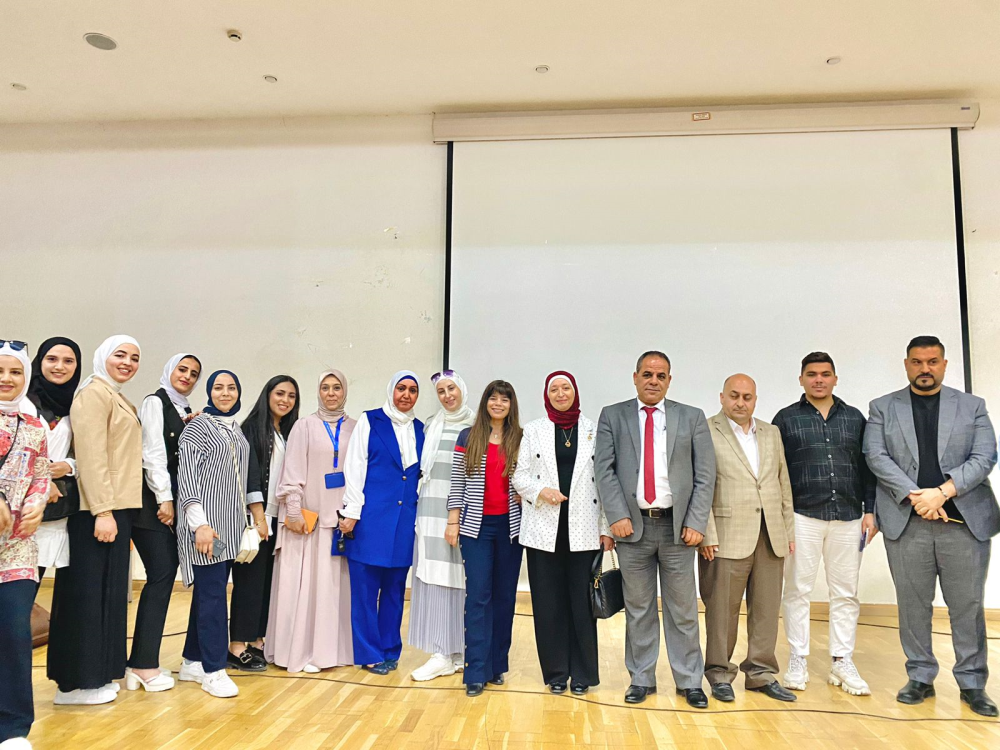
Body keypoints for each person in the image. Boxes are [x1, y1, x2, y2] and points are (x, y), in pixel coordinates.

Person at [864, 335, 999, 717]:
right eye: (918, 362)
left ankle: (972, 683)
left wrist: (941, 493)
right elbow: (876, 456)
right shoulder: (882, 407)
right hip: (908, 523)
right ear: (907, 364)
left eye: (933, 361)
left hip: (963, 523)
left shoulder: (972, 406)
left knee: (967, 606)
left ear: (944, 364)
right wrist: (917, 497)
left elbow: (985, 456)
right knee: (913, 605)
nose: (925, 369)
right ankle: (920, 677)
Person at [594, 350, 714, 708]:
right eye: (647, 374)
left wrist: (696, 521)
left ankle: (689, 680)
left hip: (678, 530)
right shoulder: (613, 415)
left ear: (669, 381)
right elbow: (604, 470)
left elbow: (705, 474)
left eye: (661, 376)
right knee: (638, 608)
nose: (653, 381)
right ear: (635, 377)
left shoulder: (691, 417)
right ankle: (641, 678)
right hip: (632, 529)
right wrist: (616, 515)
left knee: (683, 610)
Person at [772, 352, 876, 696]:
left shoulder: (855, 418)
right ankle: (798, 658)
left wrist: (871, 511)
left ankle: (842, 660)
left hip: (849, 517)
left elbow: (868, 470)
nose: (819, 379)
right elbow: (776, 471)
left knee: (845, 593)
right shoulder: (786, 419)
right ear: (801, 379)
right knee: (797, 590)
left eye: (825, 374)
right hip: (802, 516)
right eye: (812, 374)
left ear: (835, 378)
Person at [47, 335, 142, 706]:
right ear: (103, 357)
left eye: (134, 357)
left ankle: (97, 675)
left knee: (106, 595)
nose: (127, 362)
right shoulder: (93, 394)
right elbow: (91, 456)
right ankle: (76, 684)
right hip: (97, 510)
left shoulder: (113, 394)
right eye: (120, 354)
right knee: (86, 597)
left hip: (114, 507)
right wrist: (103, 510)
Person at [513, 371, 613, 695]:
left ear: (575, 392)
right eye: (553, 389)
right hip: (543, 530)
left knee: (582, 606)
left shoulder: (594, 430)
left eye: (565, 387)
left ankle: (582, 674)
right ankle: (556, 673)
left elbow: (605, 482)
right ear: (547, 395)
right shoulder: (534, 430)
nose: (560, 393)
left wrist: (606, 529)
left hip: (584, 530)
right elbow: (519, 476)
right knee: (548, 605)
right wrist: (541, 491)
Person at [699, 374, 796, 703]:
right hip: (725, 536)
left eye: (747, 397)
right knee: (721, 611)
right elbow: (701, 486)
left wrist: (787, 531)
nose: (741, 402)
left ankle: (760, 673)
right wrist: (706, 532)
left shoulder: (771, 432)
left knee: (767, 610)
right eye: (734, 396)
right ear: (722, 397)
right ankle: (719, 673)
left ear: (755, 399)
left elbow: (783, 484)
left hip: (770, 534)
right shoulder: (705, 431)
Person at [175, 370, 264, 699]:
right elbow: (187, 480)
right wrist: (199, 524)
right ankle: (214, 670)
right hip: (205, 528)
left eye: (231, 388)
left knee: (208, 594)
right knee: (213, 598)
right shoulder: (197, 427)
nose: (225, 393)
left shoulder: (234, 428)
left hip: (230, 527)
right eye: (218, 387)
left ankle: (192, 661)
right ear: (209, 392)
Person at [266, 370, 354, 673]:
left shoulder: (356, 428)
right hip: (307, 522)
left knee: (332, 589)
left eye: (337, 387)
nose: (331, 393)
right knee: (303, 587)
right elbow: (291, 471)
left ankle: (332, 652)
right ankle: (300, 651)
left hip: (341, 523)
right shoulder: (304, 426)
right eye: (325, 388)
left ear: (344, 391)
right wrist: (293, 512)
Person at [126, 353, 202, 692]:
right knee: (161, 575)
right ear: (169, 370)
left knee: (163, 576)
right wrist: (165, 500)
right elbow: (153, 453)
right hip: (152, 506)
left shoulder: (183, 408)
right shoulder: (155, 403)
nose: (187, 376)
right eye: (182, 369)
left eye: (194, 373)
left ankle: (141, 663)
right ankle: (142, 665)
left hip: (167, 505)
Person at [339, 371, 424, 675]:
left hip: (404, 523)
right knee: (364, 591)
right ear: (391, 390)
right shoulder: (370, 420)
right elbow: (355, 466)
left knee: (394, 591)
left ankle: (390, 650)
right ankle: (369, 653)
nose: (406, 395)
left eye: (412, 390)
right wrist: (352, 511)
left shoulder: (421, 429)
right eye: (401, 388)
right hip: (370, 520)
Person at [447, 380, 523, 697]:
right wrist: (453, 521)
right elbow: (457, 483)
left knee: (504, 598)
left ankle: (496, 666)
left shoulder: (520, 438)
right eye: (493, 398)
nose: (498, 404)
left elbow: (530, 478)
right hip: (475, 529)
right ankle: (475, 670)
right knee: (478, 596)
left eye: (504, 399)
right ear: (485, 402)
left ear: (511, 405)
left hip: (511, 529)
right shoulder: (468, 436)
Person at [408, 370, 476, 682]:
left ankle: (458, 650)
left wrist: (457, 517)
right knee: (435, 579)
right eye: (441, 391)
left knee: (461, 581)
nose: (447, 395)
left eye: (452, 388)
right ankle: (440, 652)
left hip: (461, 514)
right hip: (430, 514)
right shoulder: (430, 425)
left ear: (462, 389)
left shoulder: (476, 425)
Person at [229, 375, 299, 672]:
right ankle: (236, 646)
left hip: (277, 519)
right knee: (249, 582)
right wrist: (259, 518)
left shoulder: (286, 431)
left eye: (291, 396)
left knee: (267, 582)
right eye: (280, 393)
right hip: (256, 517)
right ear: (267, 394)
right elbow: (250, 477)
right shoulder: (251, 428)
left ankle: (257, 640)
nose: (285, 400)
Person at [0, 341, 49, 750]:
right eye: (0, 371)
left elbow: (40, 474)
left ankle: (13, 728)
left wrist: (36, 503)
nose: (7, 378)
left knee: (15, 637)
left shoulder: (34, 426)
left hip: (16, 549)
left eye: (15, 371)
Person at [26, 338, 82, 588]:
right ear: (39, 362)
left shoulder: (77, 405)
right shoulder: (21, 400)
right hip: (17, 502)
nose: (60, 366)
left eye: (68, 361)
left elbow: (85, 452)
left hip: (53, 507)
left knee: (32, 579)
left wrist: (70, 465)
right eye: (52, 359)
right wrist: (42, 478)